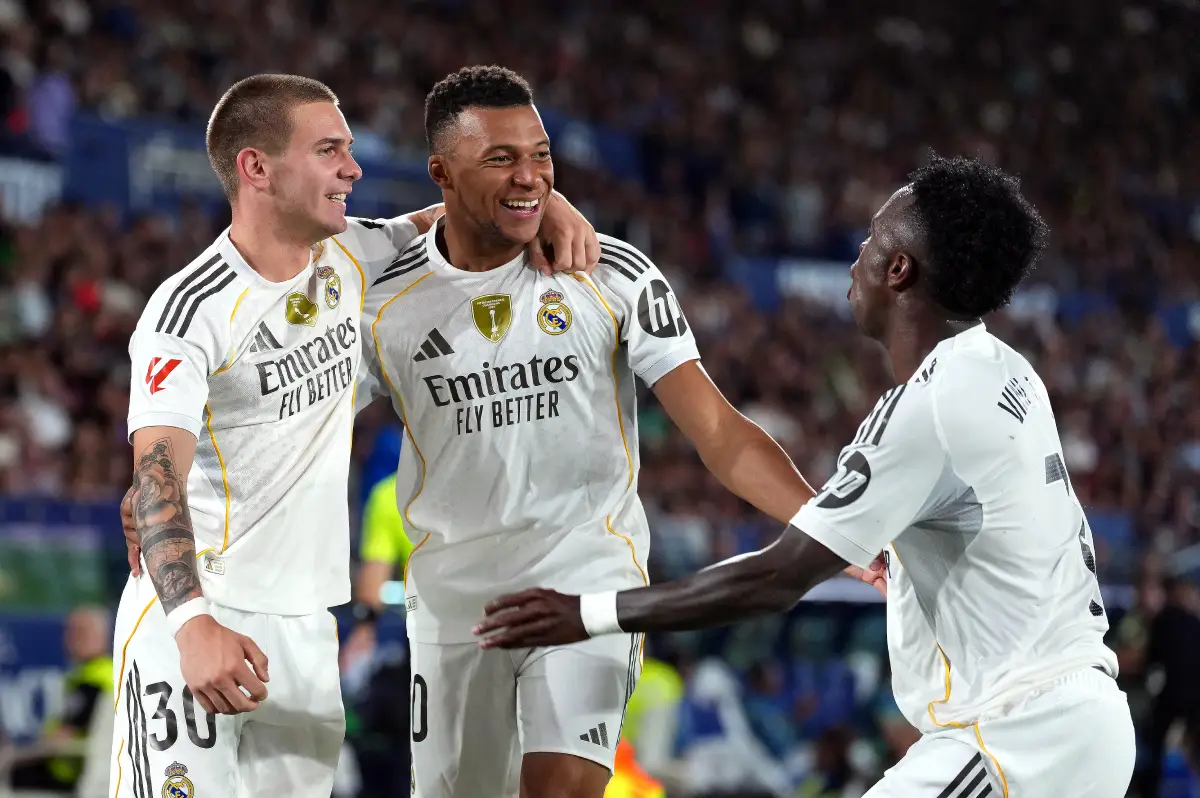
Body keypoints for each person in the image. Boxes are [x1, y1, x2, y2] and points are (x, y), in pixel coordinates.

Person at [477, 155, 1138, 797]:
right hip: (1074, 724)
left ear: (900, 269)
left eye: (873, 238)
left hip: (1020, 737)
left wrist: (587, 613)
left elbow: (775, 578)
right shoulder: (1008, 371)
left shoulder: (931, 405)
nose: (859, 255)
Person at [359, 64, 882, 798]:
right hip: (454, 608)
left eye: (541, 154)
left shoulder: (609, 272)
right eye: (501, 158)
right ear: (440, 172)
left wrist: (824, 522)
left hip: (584, 581)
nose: (531, 177)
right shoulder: (381, 302)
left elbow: (720, 432)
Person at [113, 72, 598, 798]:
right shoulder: (189, 311)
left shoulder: (353, 256)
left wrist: (547, 199)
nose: (354, 168)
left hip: (306, 633)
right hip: (200, 618)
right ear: (257, 168)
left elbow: (454, 212)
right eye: (329, 149)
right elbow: (154, 477)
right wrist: (191, 625)